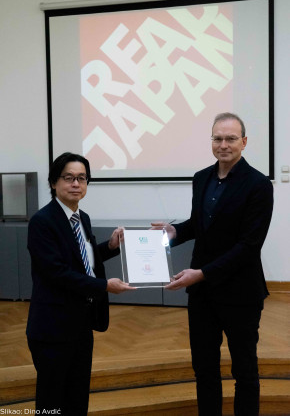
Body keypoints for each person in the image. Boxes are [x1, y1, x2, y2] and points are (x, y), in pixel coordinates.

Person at [152, 113, 273, 416]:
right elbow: (199, 225)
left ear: (244, 142)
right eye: (217, 138)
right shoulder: (201, 177)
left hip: (240, 294)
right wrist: (174, 231)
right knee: (204, 369)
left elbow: (248, 246)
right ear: (211, 141)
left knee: (244, 371)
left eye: (231, 138)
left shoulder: (258, 185)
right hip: (203, 294)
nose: (223, 144)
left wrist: (201, 274)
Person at [26, 152, 135, 416]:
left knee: (77, 398)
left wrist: (110, 247)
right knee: (52, 403)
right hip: (52, 327)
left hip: (81, 324)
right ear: (54, 182)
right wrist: (104, 286)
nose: (76, 184)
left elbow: (82, 259)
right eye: (69, 178)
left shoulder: (81, 217)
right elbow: (57, 273)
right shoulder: (42, 222)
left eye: (82, 178)